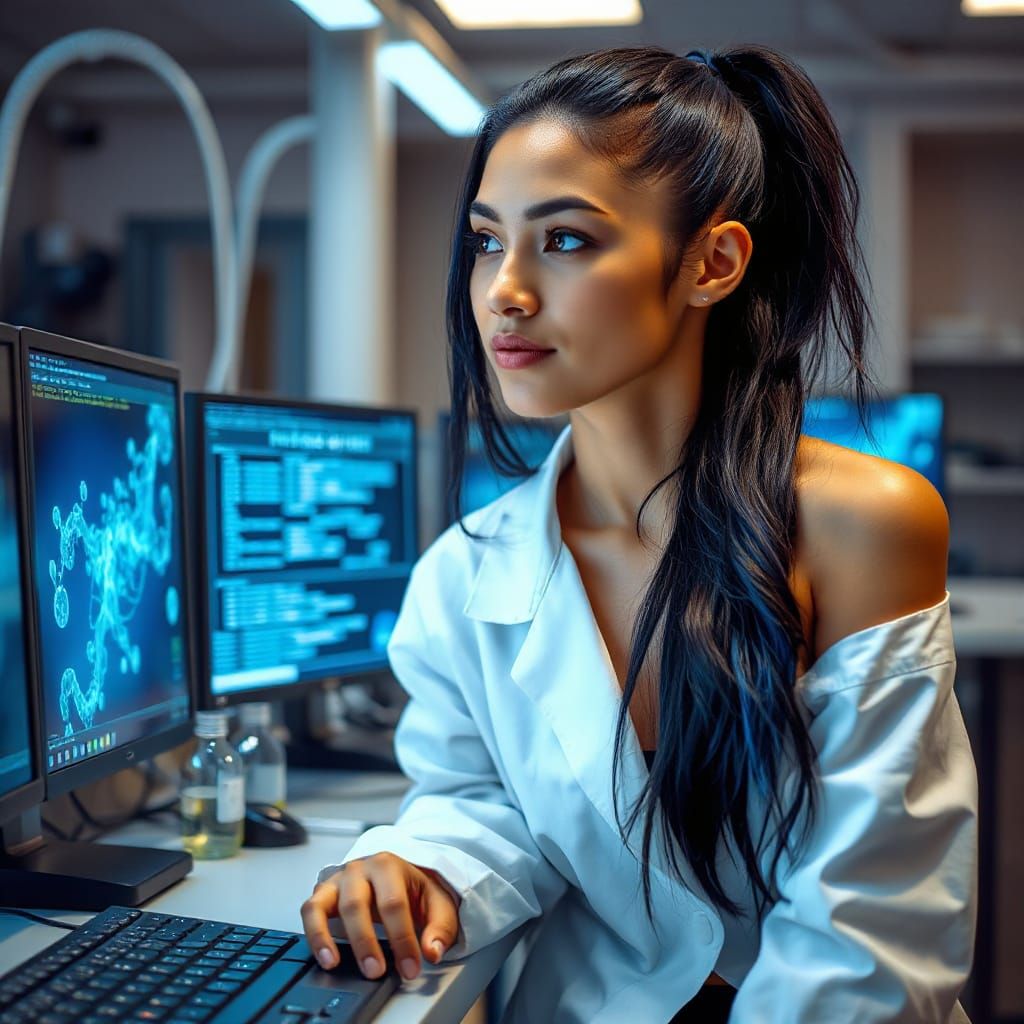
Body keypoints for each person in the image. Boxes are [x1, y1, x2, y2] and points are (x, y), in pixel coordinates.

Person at [301, 45, 978, 1023]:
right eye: (488, 241)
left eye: (565, 241)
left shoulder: (863, 523)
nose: (505, 290)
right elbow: (485, 806)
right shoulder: (467, 572)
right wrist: (412, 865)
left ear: (713, 263)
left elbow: (869, 919)